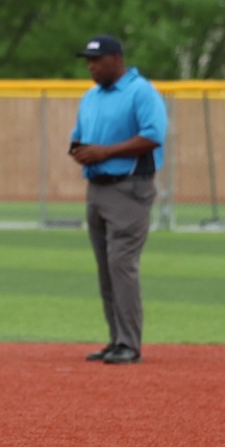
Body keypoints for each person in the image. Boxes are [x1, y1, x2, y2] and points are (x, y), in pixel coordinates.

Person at [69, 34, 168, 365]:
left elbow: (153, 135)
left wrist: (105, 152)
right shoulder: (91, 97)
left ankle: (129, 343)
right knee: (106, 268)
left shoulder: (141, 91)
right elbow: (78, 138)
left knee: (121, 265)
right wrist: (80, 150)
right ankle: (116, 340)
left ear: (117, 59)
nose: (91, 66)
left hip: (129, 188)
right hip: (96, 187)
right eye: (88, 60)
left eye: (97, 60)